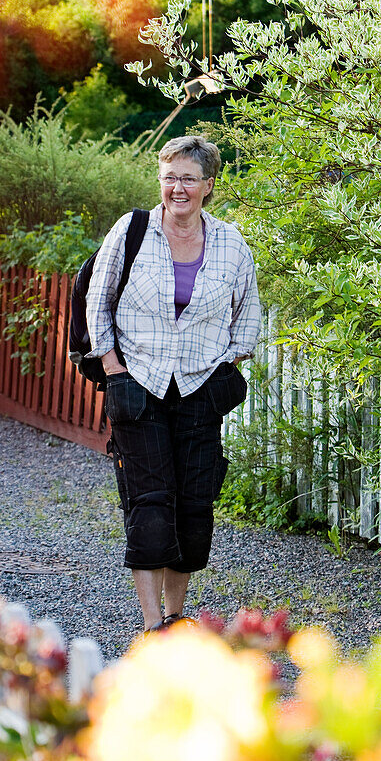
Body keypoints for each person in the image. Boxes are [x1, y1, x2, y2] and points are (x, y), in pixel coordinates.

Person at [85, 135, 261, 633]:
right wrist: (114, 368)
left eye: (187, 178)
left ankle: (176, 616)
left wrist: (222, 367)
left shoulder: (230, 243)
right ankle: (151, 626)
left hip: (198, 390)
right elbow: (97, 301)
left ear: (208, 185)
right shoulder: (132, 231)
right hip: (138, 385)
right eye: (168, 177)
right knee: (150, 502)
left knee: (193, 505)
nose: (176, 188)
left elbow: (248, 315)